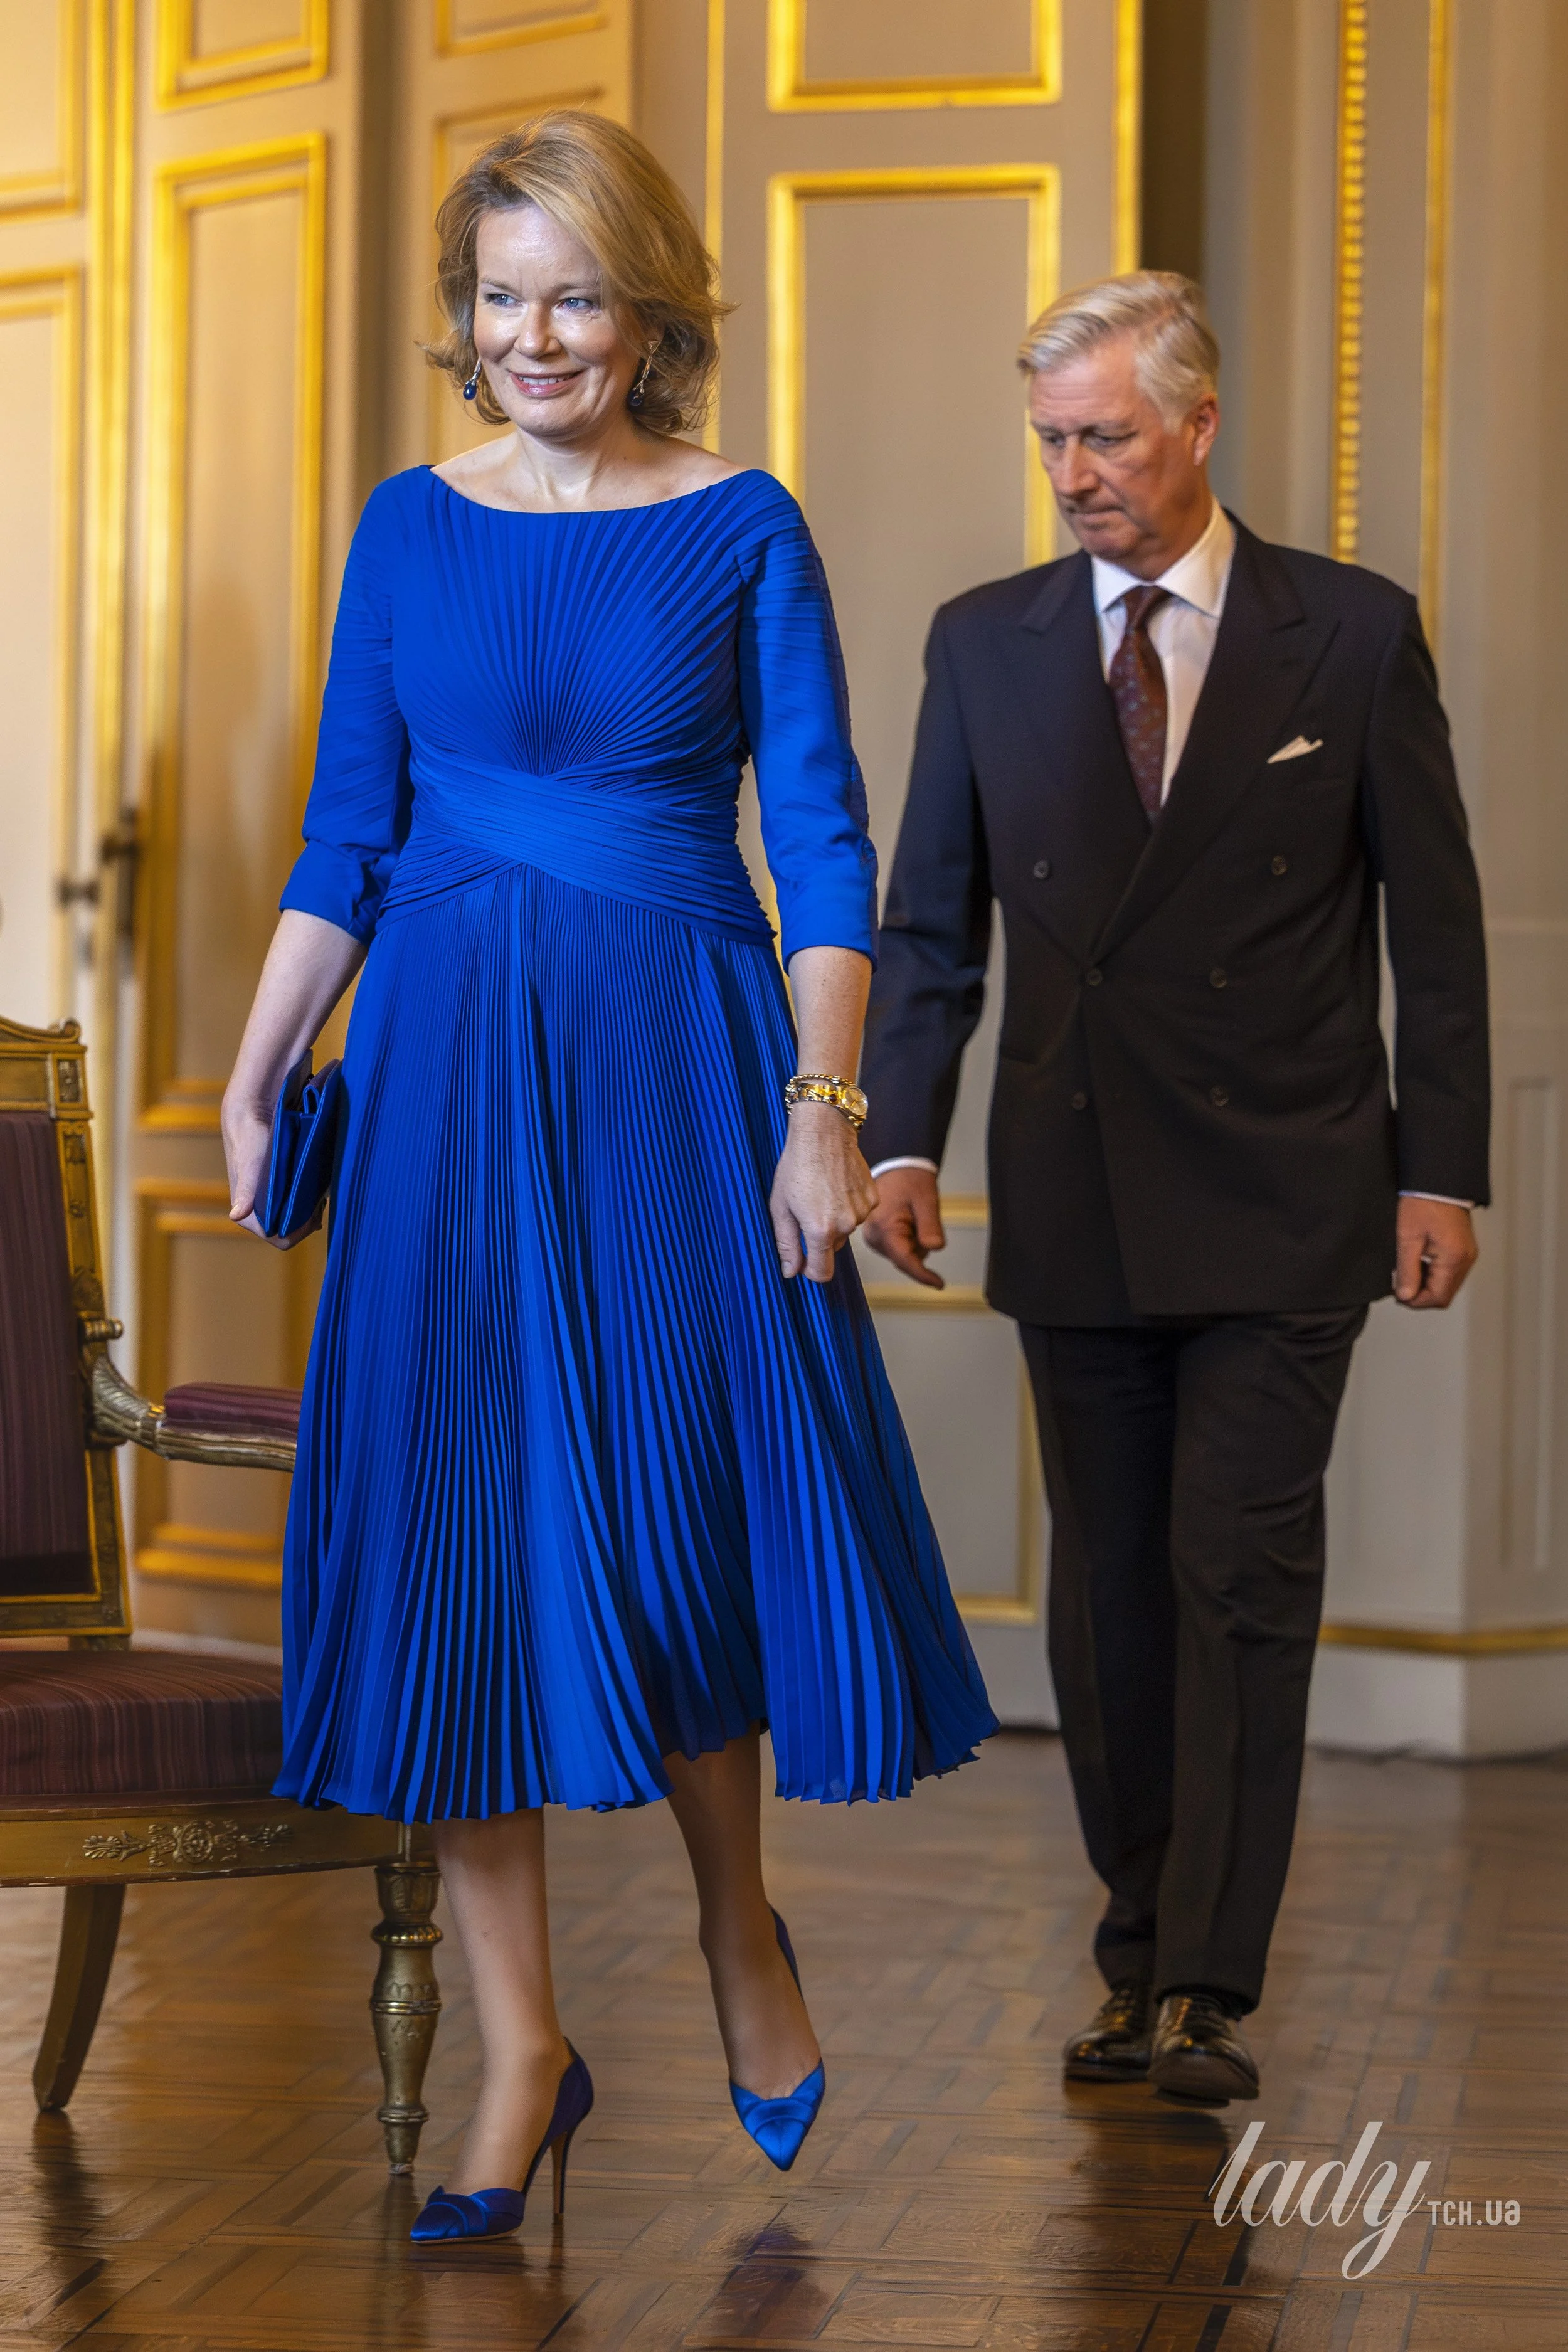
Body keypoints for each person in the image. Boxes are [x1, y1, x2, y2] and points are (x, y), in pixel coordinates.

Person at [221, 112, 995, 2241]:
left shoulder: (743, 525)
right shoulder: (408, 524)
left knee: (671, 1532)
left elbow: (824, 845)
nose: (532, 332)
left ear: (648, 309)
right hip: (448, 1076)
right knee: (462, 1547)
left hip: (678, 1063)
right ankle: (520, 2046)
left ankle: (740, 1926)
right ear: (462, 324)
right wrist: (266, 1046)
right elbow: (346, 832)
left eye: (570, 291)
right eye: (497, 296)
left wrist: (822, 1108)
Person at [860, 272, 1488, 2106]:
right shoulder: (984, 642)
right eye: (1050, 439)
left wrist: (1439, 1166)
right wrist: (903, 1131)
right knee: (1110, 1601)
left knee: (1236, 1573)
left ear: (1199, 425)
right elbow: (925, 926)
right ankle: (1132, 1952)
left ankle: (1204, 1982)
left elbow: (1433, 940)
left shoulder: (1352, 636)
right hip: (1071, 1187)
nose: (1071, 474)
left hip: (1292, 1185)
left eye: (1106, 437)